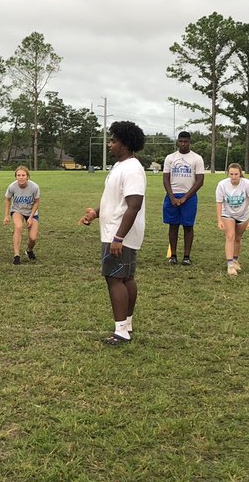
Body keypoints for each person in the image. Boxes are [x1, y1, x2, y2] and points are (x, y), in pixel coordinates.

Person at [79, 121, 146, 346]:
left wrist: (118, 237)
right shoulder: (120, 166)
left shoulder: (132, 169)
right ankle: (126, 324)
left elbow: (134, 205)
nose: (110, 144)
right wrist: (96, 213)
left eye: (114, 140)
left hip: (119, 233)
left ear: (125, 143)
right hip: (115, 230)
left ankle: (121, 331)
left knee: (114, 278)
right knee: (125, 277)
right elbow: (115, 200)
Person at [161, 131, 205, 265]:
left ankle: (186, 256)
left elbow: (200, 181)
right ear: (177, 142)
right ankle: (173, 255)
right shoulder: (170, 158)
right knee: (173, 225)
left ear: (189, 142)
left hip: (189, 196)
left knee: (188, 226)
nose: (183, 144)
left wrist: (186, 197)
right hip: (172, 195)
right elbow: (165, 178)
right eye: (181, 141)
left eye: (186, 142)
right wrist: (172, 196)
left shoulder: (197, 158)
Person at [215, 163, 249, 276]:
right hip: (227, 213)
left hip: (243, 214)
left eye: (236, 174)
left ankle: (235, 259)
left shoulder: (247, 184)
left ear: (240, 174)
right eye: (231, 174)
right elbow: (219, 203)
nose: (233, 177)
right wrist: (219, 219)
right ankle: (230, 265)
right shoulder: (222, 185)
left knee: (238, 238)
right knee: (230, 236)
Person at [2, 165, 41, 265]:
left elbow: (36, 202)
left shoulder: (34, 187)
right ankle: (16, 255)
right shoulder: (12, 186)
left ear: (28, 176)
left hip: (31, 211)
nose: (21, 177)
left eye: (23, 175)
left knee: (33, 238)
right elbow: (7, 200)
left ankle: (29, 250)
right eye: (18, 175)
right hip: (17, 210)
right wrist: (6, 215)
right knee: (18, 227)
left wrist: (31, 217)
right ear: (16, 177)